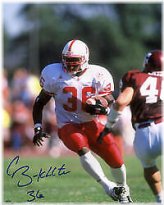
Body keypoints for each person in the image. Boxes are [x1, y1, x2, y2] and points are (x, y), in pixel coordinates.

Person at [32, 39, 133, 203]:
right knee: (81, 148)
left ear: (85, 58)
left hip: (92, 123)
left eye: (74, 60)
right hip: (67, 124)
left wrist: (102, 105)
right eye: (67, 59)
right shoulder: (53, 74)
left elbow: (109, 98)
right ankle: (108, 186)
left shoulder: (98, 74)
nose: (70, 64)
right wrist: (37, 126)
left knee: (116, 159)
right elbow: (39, 102)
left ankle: (123, 189)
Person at [99, 50, 164, 203]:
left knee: (149, 166)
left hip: (143, 134)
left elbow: (120, 102)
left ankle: (160, 199)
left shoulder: (136, 77)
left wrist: (109, 126)